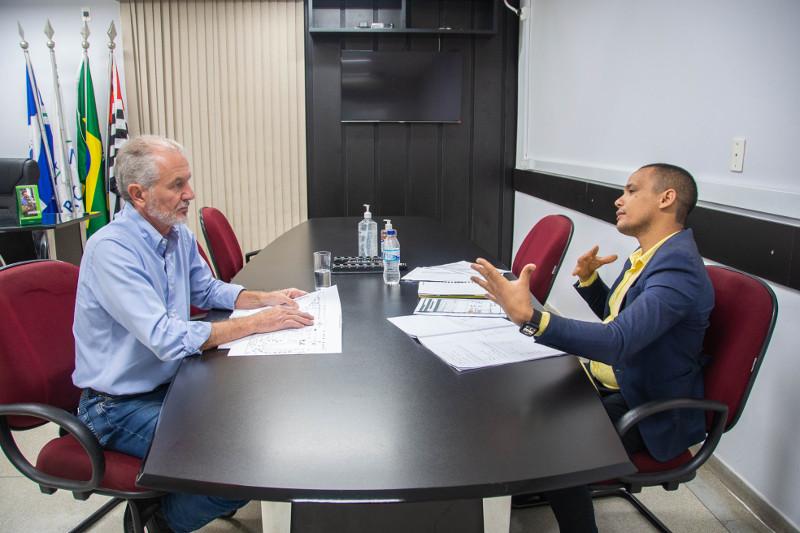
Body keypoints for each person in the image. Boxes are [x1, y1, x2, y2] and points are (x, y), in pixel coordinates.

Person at [72, 135, 315, 533]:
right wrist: (256, 322)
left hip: (173, 381)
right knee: (245, 462)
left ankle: (186, 490)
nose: (190, 194)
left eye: (188, 180)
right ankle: (163, 522)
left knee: (264, 416)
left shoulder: (175, 233)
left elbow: (207, 290)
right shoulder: (111, 251)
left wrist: (265, 298)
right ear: (138, 194)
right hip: (116, 406)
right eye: (176, 185)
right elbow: (165, 338)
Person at [471, 163, 714, 532]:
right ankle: (525, 481)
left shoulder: (677, 267)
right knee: (520, 399)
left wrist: (533, 319)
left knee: (554, 444)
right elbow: (628, 321)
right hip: (611, 380)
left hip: (645, 404)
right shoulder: (650, 256)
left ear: (667, 198)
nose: (619, 200)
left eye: (632, 191)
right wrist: (590, 281)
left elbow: (620, 342)